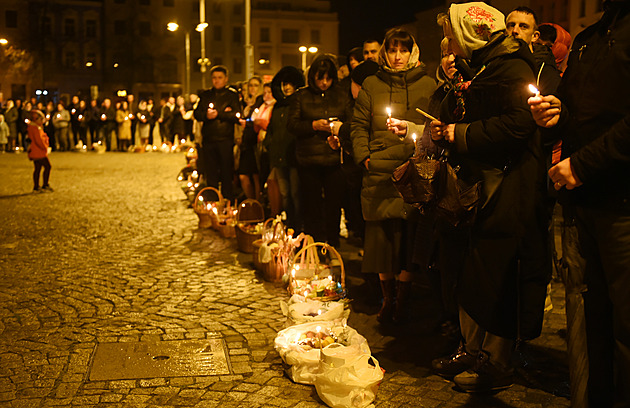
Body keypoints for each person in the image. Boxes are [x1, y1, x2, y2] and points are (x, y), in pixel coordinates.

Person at [428, 2, 539, 392]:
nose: (449, 42)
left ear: (470, 33)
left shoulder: (512, 68)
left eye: (452, 33)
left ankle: (496, 362)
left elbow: (519, 123)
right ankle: (474, 350)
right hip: (486, 187)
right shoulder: (490, 66)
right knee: (477, 273)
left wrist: (460, 134)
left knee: (499, 277)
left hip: (507, 189)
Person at [528, 1, 630, 405]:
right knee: (592, 326)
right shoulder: (590, 37)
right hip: (584, 203)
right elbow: (578, 109)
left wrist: (583, 165)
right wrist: (557, 113)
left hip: (623, 204)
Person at [351, 28, 436, 323]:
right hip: (379, 172)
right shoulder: (372, 84)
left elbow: (434, 125)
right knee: (381, 241)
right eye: (392, 49)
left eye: (403, 49)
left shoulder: (428, 83)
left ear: (413, 51)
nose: (397, 56)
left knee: (409, 239)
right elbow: (358, 125)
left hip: (413, 172)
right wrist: (364, 157)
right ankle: (387, 299)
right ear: (385, 52)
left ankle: (404, 299)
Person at [288, 54, 352, 248]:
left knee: (334, 205)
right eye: (320, 78)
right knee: (311, 204)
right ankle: (314, 245)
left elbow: (351, 123)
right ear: (312, 77)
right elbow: (292, 125)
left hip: (334, 159)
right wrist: (313, 125)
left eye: (328, 78)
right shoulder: (301, 96)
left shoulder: (341, 95)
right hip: (308, 159)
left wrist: (338, 131)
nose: (324, 83)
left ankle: (333, 243)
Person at [264, 66, 305, 226]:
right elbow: (271, 129)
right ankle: (290, 221)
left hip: (294, 156)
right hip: (279, 156)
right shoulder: (278, 106)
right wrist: (270, 144)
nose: (287, 87)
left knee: (296, 192)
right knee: (284, 192)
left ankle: (299, 223)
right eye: (284, 84)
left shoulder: (299, 104)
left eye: (291, 84)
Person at [194, 65, 242, 200]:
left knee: (227, 173)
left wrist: (219, 114)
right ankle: (213, 202)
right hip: (209, 140)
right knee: (211, 174)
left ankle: (227, 202)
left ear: (226, 79)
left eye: (220, 78)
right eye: (214, 78)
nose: (217, 80)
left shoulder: (231, 95)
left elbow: (236, 115)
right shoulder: (206, 95)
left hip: (225, 140)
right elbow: (197, 113)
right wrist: (206, 116)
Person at [27, 110, 53, 193]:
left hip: (35, 151)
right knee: (47, 167)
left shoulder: (33, 127)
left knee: (37, 168)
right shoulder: (35, 128)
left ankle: (36, 187)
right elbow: (39, 141)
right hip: (39, 152)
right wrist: (45, 146)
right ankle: (45, 185)